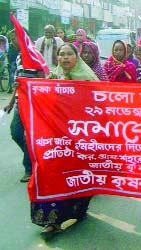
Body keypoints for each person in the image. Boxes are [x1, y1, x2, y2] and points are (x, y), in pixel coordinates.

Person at [32, 43, 97, 240]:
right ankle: (52, 221)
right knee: (50, 174)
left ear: (77, 57)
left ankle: (78, 212)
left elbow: (98, 109)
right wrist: (25, 89)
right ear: (57, 57)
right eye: (62, 54)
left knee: (78, 175)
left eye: (69, 54)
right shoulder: (52, 78)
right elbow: (39, 100)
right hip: (56, 139)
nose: (65, 57)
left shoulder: (88, 79)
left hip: (80, 138)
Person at [3, 29, 43, 183]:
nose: (13, 42)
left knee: (28, 137)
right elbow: (19, 83)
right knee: (16, 133)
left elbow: (42, 80)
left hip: (33, 103)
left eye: (16, 38)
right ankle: (33, 157)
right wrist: (11, 102)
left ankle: (29, 168)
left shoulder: (35, 56)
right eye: (12, 39)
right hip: (20, 101)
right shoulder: (19, 57)